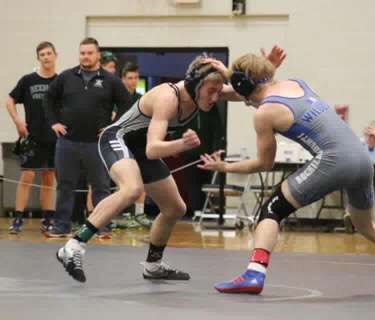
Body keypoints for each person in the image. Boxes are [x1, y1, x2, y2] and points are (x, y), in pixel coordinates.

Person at [198, 53, 375, 295]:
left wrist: (225, 167)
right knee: (369, 226)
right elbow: (250, 91)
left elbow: (264, 163)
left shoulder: (264, 114)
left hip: (334, 160)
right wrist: (231, 75)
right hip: (362, 159)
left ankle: (254, 274)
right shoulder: (297, 83)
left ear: (242, 86)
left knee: (272, 208)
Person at [54, 47, 287, 283]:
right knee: (132, 189)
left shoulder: (204, 90)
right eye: (212, 92)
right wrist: (182, 144)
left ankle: (153, 265)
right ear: (196, 84)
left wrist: (268, 70)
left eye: (219, 92)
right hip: (118, 139)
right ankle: (73, 246)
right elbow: (153, 149)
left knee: (175, 208)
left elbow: (245, 93)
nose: (216, 98)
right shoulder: (168, 97)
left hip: (142, 149)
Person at [43, 37, 131, 237]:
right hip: (67, 142)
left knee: (100, 187)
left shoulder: (111, 81)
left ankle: (102, 226)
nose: (86, 56)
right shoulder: (66, 77)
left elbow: (127, 103)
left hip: (97, 144)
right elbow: (48, 98)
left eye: (90, 53)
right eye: (82, 53)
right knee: (65, 185)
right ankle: (61, 225)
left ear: (98, 55)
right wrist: (53, 122)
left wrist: (113, 126)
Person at [6, 41, 58, 234]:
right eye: (42, 54)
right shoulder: (28, 80)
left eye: (48, 53)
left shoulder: (60, 81)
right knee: (27, 176)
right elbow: (9, 100)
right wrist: (18, 121)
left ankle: (48, 219)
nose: (46, 57)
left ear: (55, 55)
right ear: (38, 58)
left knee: (48, 178)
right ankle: (18, 218)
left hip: (53, 139)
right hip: (32, 137)